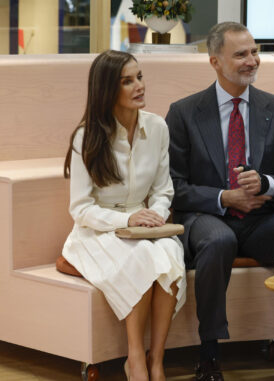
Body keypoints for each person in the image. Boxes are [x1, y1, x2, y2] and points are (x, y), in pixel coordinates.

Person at [165, 22, 274, 381]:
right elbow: (173, 186)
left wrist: (266, 184)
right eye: (241, 54)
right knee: (219, 240)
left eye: (254, 51)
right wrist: (223, 196)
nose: (252, 61)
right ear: (214, 61)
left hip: (262, 218)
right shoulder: (184, 112)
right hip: (207, 216)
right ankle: (209, 354)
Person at [62, 50, 187, 381]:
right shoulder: (85, 136)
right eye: (128, 81)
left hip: (145, 226)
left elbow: (163, 191)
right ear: (107, 90)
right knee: (142, 258)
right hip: (96, 230)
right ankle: (136, 360)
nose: (139, 86)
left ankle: (156, 360)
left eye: (140, 77)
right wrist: (127, 221)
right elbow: (80, 208)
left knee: (170, 254)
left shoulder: (158, 127)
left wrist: (156, 217)